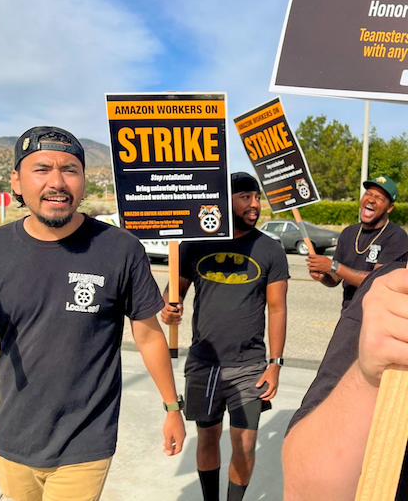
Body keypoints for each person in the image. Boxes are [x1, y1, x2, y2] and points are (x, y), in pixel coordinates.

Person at [0, 126, 185, 501]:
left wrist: (173, 407)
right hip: (13, 434)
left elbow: (148, 333)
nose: (57, 182)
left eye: (70, 170)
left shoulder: (120, 248)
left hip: (85, 438)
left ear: (84, 181)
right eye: (42, 169)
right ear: (16, 179)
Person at [160, 173, 288, 501]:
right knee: (207, 439)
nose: (255, 204)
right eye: (245, 197)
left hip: (249, 365)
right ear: (224, 200)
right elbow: (174, 294)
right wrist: (169, 309)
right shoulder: (194, 243)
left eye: (256, 197)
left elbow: (277, 309)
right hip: (204, 363)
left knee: (244, 443)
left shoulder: (269, 248)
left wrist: (275, 363)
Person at [283, 259, 408, 499]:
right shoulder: (353, 237)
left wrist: (334, 266)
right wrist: (368, 374)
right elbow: (304, 488)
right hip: (375, 329)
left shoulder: (393, 238)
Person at [306, 176, 408, 309]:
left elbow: (377, 281)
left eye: (379, 198)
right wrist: (322, 275)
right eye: (368, 194)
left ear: (389, 208)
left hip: (378, 316)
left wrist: (334, 266)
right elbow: (335, 279)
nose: (371, 199)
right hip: (348, 313)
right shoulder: (349, 233)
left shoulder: (396, 236)